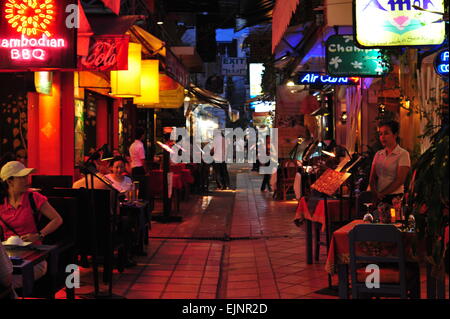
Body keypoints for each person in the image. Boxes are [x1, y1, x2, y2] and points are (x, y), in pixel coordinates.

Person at [0, 161, 63, 289]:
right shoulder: (2, 202)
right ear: (9, 181)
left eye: (26, 176)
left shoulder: (34, 197)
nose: (27, 180)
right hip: (8, 256)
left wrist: (39, 235)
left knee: (6, 283)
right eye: (22, 177)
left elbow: (57, 219)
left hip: (34, 257)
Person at [369, 120, 411, 205]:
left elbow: (400, 180)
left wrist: (383, 193)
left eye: (386, 133)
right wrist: (375, 193)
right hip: (378, 197)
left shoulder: (403, 154)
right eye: (380, 134)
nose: (383, 137)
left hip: (395, 197)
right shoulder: (378, 154)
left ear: (395, 135)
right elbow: (372, 178)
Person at [129, 128, 147, 199]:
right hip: (139, 169)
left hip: (133, 168)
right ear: (142, 135)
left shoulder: (132, 145)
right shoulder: (140, 145)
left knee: (135, 187)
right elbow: (142, 160)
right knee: (141, 188)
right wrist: (146, 170)